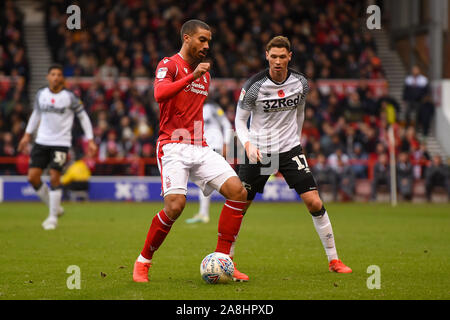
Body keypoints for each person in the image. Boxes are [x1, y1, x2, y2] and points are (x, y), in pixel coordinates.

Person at [132, 20, 248, 283]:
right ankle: (143, 262)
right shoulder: (169, 65)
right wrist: (191, 77)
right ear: (187, 38)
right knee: (175, 207)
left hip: (199, 146)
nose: (207, 46)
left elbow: (192, 112)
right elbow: (160, 94)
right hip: (172, 146)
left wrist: (196, 76)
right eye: (202, 40)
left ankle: (224, 259)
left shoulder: (205, 75)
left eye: (209, 41)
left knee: (238, 192)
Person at [234, 36, 352, 273]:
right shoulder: (254, 86)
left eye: (282, 56)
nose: (277, 61)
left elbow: (300, 111)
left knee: (314, 201)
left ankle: (334, 260)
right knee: (240, 206)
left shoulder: (300, 83)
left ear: (290, 56)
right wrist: (247, 145)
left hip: (289, 149)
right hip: (259, 150)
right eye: (273, 56)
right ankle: (227, 259)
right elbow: (239, 120)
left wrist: (296, 139)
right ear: (266, 55)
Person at [17, 64, 97, 230]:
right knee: (33, 177)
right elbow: (36, 115)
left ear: (62, 78)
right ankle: (56, 207)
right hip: (41, 141)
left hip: (61, 143)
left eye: (58, 74)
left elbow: (83, 117)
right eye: (52, 74)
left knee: (54, 175)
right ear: (48, 77)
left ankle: (52, 217)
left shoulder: (70, 97)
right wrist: (26, 135)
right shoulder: (41, 94)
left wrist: (90, 140)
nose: (55, 77)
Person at [186, 101, 232, 224]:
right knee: (206, 181)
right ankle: (203, 213)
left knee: (211, 180)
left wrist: (226, 143)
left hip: (214, 145)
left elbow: (226, 124)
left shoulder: (213, 107)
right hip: (204, 147)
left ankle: (234, 205)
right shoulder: (194, 109)